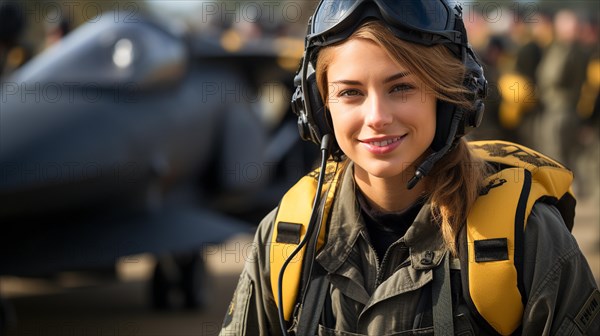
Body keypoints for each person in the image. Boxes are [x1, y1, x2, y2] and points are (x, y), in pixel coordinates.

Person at [220, 1, 600, 335]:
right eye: (350, 92)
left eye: (401, 88)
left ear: (449, 96)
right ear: (318, 111)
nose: (377, 117)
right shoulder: (287, 238)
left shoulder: (528, 238)